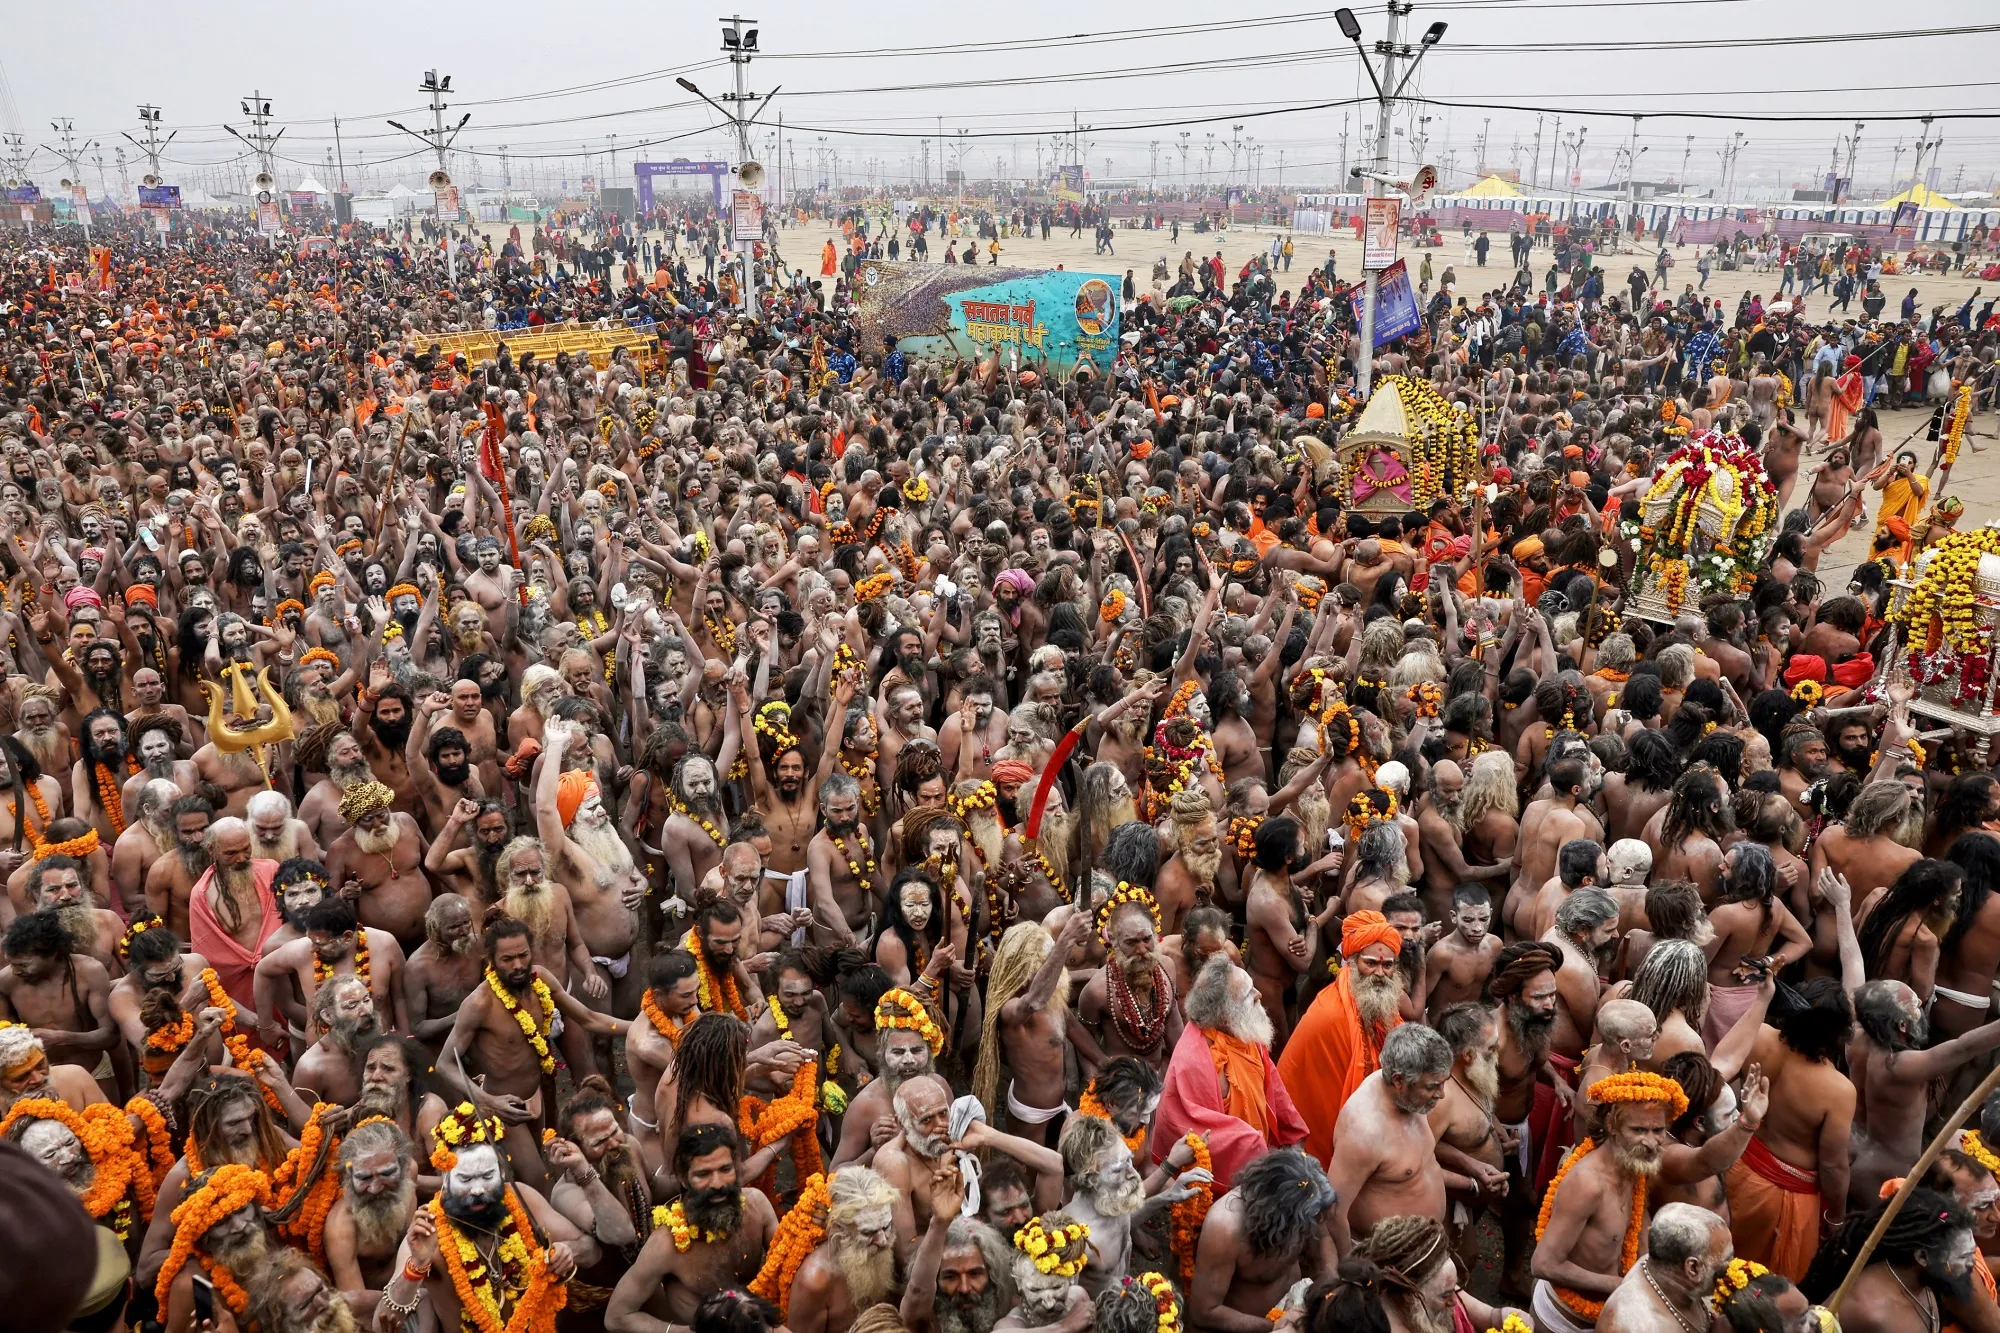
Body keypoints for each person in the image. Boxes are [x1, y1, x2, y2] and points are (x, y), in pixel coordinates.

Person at [1151, 956, 1307, 1190]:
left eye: (1252, 986)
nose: (1259, 995)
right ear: (1225, 1013)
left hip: (1261, 1158)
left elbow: (1276, 1091)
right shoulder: (1193, 1062)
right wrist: (1253, 1145)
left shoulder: (1243, 1033)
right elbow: (1193, 1133)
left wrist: (1293, 1138)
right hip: (1221, 1183)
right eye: (1248, 994)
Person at [1277, 910, 1406, 1166]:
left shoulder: (1377, 1000)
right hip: (1321, 1119)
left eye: (1387, 965)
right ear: (1353, 962)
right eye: (1371, 963)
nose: (1380, 973)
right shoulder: (1331, 1013)